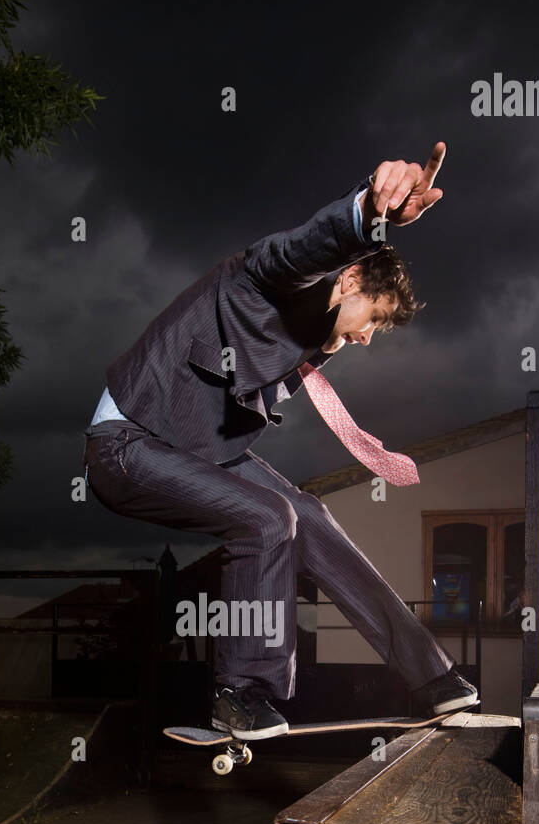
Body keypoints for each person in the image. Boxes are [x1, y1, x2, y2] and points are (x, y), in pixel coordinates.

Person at [82, 141, 478, 740]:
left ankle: (431, 677)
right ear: (347, 280)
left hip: (192, 450)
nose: (369, 337)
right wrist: (368, 212)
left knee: (309, 517)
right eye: (372, 318)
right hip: (128, 445)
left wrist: (320, 350)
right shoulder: (264, 282)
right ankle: (240, 691)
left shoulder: (314, 337)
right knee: (267, 519)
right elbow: (302, 249)